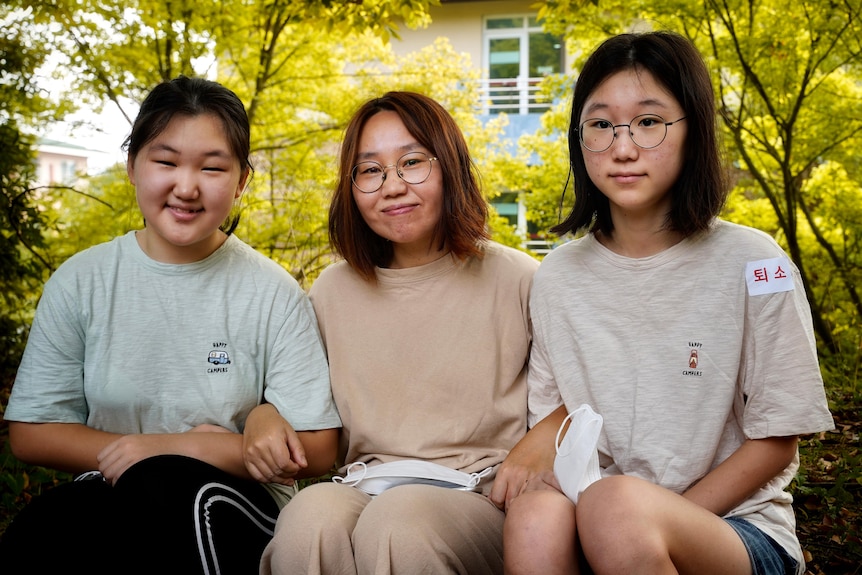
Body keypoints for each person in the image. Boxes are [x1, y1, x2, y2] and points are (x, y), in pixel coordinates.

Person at [494, 31, 834, 575]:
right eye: (601, 125)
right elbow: (561, 417)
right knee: (536, 517)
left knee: (617, 507)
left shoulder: (755, 262)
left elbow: (778, 437)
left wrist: (643, 517)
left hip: (736, 528)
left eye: (649, 122)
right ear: (579, 139)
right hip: (597, 512)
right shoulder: (558, 275)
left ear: (693, 129)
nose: (623, 148)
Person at [0, 76, 341, 574]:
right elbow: (32, 430)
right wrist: (136, 457)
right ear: (132, 166)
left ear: (241, 180)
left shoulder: (273, 293)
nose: (186, 186)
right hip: (115, 490)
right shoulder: (82, 281)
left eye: (212, 167)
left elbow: (318, 449)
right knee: (46, 527)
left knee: (161, 491)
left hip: (240, 505)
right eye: (166, 161)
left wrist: (171, 450)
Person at [245, 91, 539, 575]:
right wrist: (262, 414)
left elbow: (573, 405)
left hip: (480, 495)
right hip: (364, 485)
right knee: (306, 519)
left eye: (412, 162)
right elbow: (308, 413)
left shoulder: (520, 279)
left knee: (400, 523)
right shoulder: (332, 291)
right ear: (352, 187)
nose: (393, 186)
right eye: (371, 170)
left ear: (450, 168)